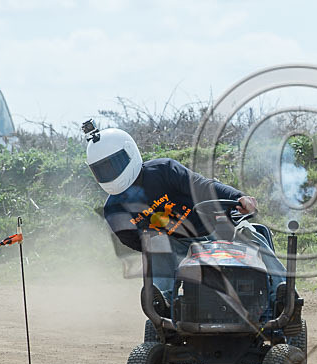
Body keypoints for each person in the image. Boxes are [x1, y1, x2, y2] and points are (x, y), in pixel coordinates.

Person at [83, 121, 285, 307]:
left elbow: (202, 186)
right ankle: (163, 302)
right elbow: (132, 241)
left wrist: (239, 197)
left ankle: (282, 292)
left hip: (215, 228)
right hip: (178, 245)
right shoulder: (114, 210)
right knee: (154, 244)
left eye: (114, 163)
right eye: (102, 169)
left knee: (247, 230)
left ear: (129, 152)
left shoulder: (163, 171)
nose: (110, 173)